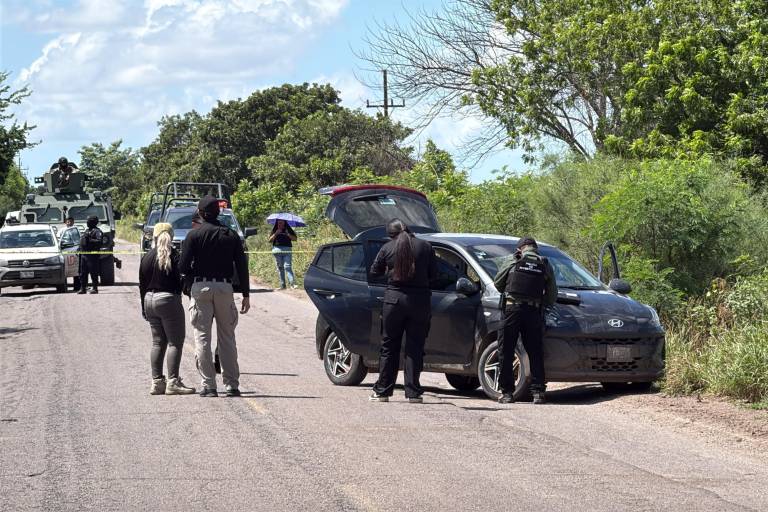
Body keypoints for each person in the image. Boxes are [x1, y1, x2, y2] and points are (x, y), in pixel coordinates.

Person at [180, 196, 250, 398]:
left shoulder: (194, 235)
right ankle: (231, 385)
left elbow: (183, 267)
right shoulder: (231, 235)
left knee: (202, 337)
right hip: (224, 288)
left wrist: (193, 277)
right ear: (219, 212)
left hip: (201, 287)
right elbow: (242, 267)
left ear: (200, 213)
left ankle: (209, 385)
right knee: (227, 338)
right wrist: (245, 294)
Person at [369, 219, 437, 403]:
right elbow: (434, 275)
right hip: (420, 302)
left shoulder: (387, 248)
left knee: (389, 347)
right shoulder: (426, 247)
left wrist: (390, 273)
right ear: (409, 229)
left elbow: (373, 272)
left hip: (393, 301)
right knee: (415, 347)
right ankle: (413, 393)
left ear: (391, 235)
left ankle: (382, 391)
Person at [493, 237, 557, 404]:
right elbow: (552, 294)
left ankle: (507, 393)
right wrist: (541, 306)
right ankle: (538, 393)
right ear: (535, 249)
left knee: (506, 351)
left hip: (512, 310)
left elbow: (498, 283)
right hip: (533, 312)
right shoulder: (544, 263)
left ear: (520, 249)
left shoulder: (514, 259)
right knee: (535, 352)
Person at [140, 223, 196, 395]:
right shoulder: (175, 256)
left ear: (155, 237)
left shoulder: (147, 257)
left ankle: (157, 382)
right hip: (168, 300)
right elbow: (183, 280)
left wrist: (144, 307)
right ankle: (173, 381)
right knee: (175, 342)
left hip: (149, 300)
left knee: (157, 342)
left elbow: (141, 284)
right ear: (172, 237)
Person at [269, 219, 297, 289]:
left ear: (285, 223)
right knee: (280, 268)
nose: (280, 224)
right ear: (276, 223)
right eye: (278, 223)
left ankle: (292, 284)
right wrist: (276, 233)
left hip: (287, 250)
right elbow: (269, 240)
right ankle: (283, 285)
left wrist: (288, 234)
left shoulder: (288, 229)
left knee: (287, 267)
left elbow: (295, 239)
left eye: (281, 223)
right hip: (277, 250)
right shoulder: (274, 229)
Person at [77, 215, 103, 294]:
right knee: (82, 272)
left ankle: (95, 288)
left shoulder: (97, 231)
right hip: (84, 255)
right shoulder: (87, 230)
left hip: (92, 255)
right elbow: (83, 241)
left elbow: (99, 242)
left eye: (88, 221)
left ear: (93, 222)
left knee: (93, 272)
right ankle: (83, 288)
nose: (87, 222)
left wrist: (90, 240)